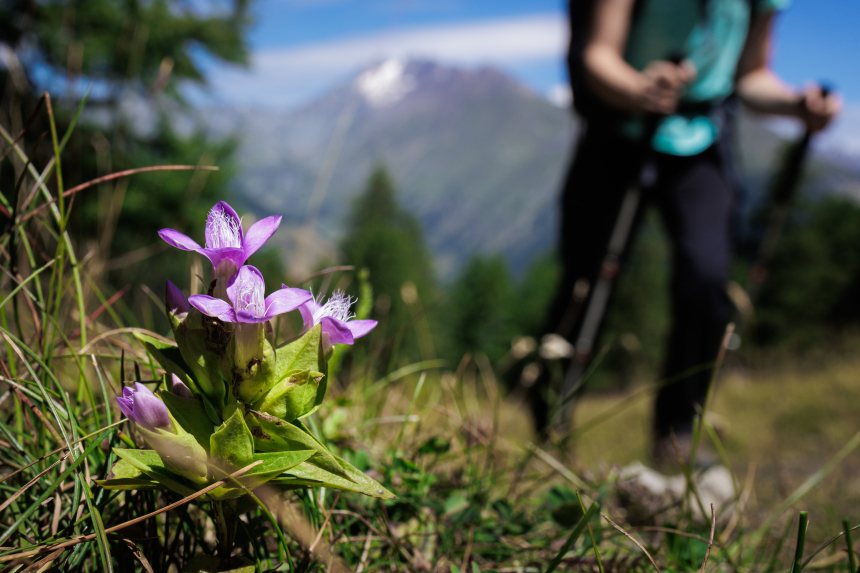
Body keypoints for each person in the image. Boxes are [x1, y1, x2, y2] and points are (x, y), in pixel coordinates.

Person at [528, 0, 840, 465]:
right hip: (618, 131)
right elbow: (598, 53)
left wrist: (797, 105)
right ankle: (550, 428)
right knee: (585, 284)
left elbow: (750, 75)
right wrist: (638, 87)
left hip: (704, 138)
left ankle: (677, 432)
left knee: (707, 276)